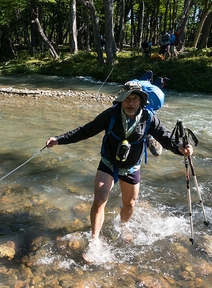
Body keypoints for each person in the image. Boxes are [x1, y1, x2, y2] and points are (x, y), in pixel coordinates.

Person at [45, 81, 193, 261]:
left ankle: (125, 225)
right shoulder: (110, 115)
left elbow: (166, 137)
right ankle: (95, 240)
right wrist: (59, 139)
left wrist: (180, 149)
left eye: (135, 99)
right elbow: (86, 131)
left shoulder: (149, 118)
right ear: (121, 100)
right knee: (99, 199)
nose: (131, 103)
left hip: (132, 166)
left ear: (141, 101)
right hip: (108, 163)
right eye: (127, 99)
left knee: (130, 203)